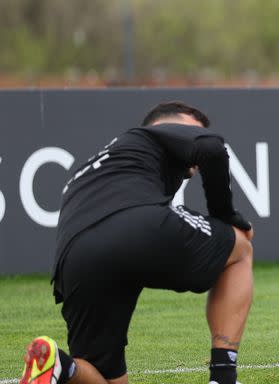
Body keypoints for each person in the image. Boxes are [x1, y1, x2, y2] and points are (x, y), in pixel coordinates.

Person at [19, 101, 254, 384]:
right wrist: (227, 216)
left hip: (74, 261)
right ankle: (224, 377)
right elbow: (212, 148)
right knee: (240, 249)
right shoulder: (149, 135)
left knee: (108, 378)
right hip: (134, 224)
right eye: (193, 131)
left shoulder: (92, 168)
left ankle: (60, 365)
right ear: (164, 125)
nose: (195, 140)